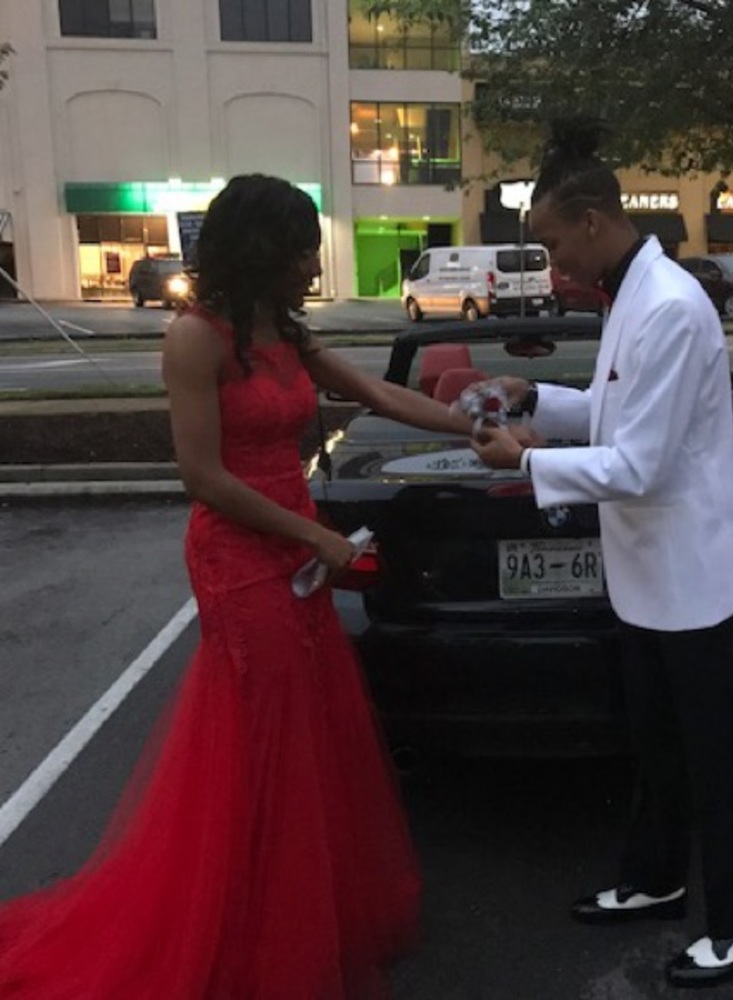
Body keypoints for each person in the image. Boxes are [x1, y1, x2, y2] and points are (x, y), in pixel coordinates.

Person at [0, 174, 471, 998]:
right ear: (255, 250)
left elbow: (380, 393)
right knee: (257, 741)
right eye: (293, 250)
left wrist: (478, 425)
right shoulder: (197, 337)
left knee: (307, 732)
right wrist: (316, 535)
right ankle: (239, 921)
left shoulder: (282, 331)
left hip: (297, 551)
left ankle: (290, 909)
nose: (306, 264)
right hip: (240, 558)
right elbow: (204, 478)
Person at [470, 124, 733, 989]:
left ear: (596, 220)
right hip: (649, 579)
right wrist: (540, 397)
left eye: (554, 241)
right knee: (659, 751)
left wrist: (524, 459)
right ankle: (654, 881)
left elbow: (636, 464)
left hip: (696, 585)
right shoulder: (634, 294)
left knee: (718, 765)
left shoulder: (671, 306)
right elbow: (616, 413)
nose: (551, 260)